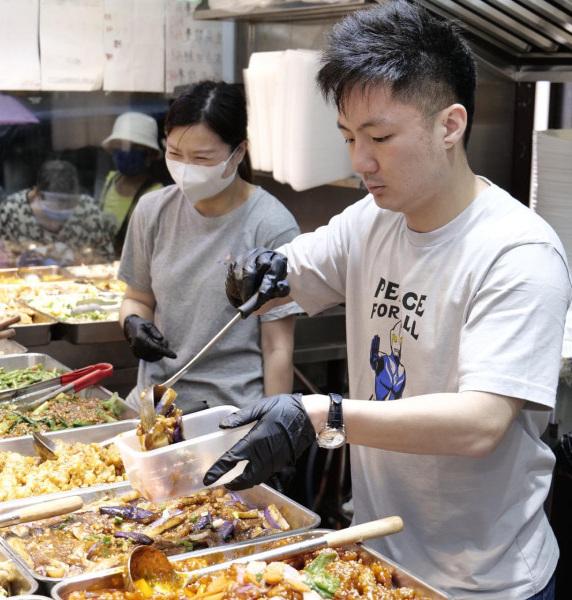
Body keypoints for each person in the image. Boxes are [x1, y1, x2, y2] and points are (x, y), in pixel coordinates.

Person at [203, 3, 571, 600]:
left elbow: (480, 424)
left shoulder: (517, 251)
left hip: (484, 581)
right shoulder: (372, 219)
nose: (360, 162)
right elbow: (290, 273)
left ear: (450, 126)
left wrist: (323, 414)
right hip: (376, 554)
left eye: (379, 137)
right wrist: (252, 272)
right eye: (349, 137)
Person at [118, 80, 302, 415]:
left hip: (228, 412)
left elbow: (277, 345)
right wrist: (133, 323)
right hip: (154, 405)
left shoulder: (271, 225)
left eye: (202, 158)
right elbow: (137, 298)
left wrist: (275, 427)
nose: (185, 169)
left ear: (239, 152)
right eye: (175, 154)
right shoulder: (152, 210)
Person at [0, 159, 115, 266]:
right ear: (37, 193)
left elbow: (107, 260)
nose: (63, 208)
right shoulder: (12, 210)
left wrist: (74, 257)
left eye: (69, 202)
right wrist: (32, 257)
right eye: (57, 203)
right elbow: (2, 261)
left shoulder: (88, 210)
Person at [99, 112, 164, 255]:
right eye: (121, 146)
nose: (126, 152)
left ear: (151, 154)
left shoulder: (155, 193)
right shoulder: (111, 180)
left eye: (135, 148)